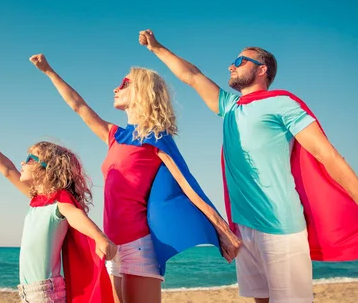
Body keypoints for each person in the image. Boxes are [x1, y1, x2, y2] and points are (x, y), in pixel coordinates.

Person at [139, 29, 358, 303]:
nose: (231, 66)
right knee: (259, 299)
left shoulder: (282, 104)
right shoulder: (230, 106)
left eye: (239, 61)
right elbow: (192, 75)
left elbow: (326, 154)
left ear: (262, 70)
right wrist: (156, 48)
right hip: (244, 226)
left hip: (281, 226)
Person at [30, 54, 242, 303]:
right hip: (113, 246)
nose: (116, 88)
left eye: (125, 83)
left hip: (139, 245)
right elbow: (79, 106)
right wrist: (49, 71)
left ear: (143, 91)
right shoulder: (115, 136)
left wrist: (222, 229)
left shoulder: (155, 138)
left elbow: (187, 183)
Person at [0, 121, 117, 303]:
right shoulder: (38, 200)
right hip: (28, 292)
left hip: (46, 292)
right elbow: (8, 170)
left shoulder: (59, 199)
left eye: (30, 159)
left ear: (48, 169)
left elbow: (74, 215)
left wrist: (100, 237)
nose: (23, 162)